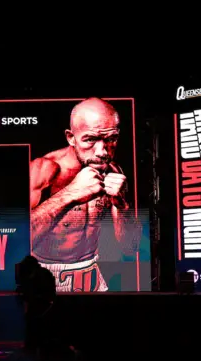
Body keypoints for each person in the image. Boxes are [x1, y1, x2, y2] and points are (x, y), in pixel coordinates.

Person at [29, 97, 140, 292]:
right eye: (90, 139)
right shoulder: (44, 169)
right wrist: (70, 194)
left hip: (90, 272)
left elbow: (130, 246)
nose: (102, 151)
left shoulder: (114, 171)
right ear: (71, 137)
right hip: (45, 275)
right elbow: (16, 241)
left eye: (110, 139)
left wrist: (123, 206)